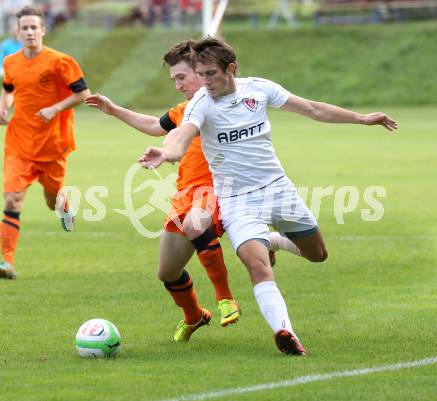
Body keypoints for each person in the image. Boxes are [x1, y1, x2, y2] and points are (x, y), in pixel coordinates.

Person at [139, 37, 398, 355]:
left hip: (278, 190)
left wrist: (360, 118)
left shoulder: (258, 89)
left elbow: (313, 109)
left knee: (318, 254)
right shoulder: (200, 104)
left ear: (230, 69)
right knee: (258, 267)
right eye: (200, 75)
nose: (203, 82)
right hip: (236, 201)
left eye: (210, 74)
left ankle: (273, 240)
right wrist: (166, 154)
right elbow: (182, 138)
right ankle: (284, 331)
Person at [85, 40, 241, 342]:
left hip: (218, 191)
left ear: (200, 71)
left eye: (182, 77)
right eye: (174, 80)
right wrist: (113, 110)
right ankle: (195, 316)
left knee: (198, 223)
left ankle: (226, 298)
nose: (177, 85)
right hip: (186, 193)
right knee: (167, 272)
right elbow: (158, 126)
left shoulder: (225, 104)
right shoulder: (184, 110)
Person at [0, 6, 91, 280]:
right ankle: (6, 261)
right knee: (13, 199)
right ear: (18, 31)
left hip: (53, 145)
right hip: (19, 143)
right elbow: (9, 90)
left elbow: (83, 94)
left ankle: (64, 206)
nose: (29, 32)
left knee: (53, 201)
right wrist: (4, 106)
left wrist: (54, 108)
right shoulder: (11, 62)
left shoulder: (60, 61)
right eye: (24, 28)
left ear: (43, 30)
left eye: (33, 27)